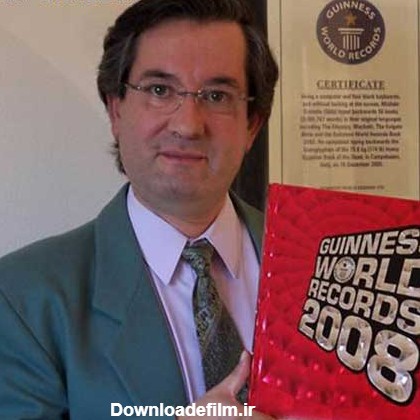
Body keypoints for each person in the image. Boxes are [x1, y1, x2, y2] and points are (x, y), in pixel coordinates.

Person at [0, 0, 278, 418]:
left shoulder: (316, 265)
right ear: (116, 109)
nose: (188, 125)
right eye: (159, 90)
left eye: (217, 95)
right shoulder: (22, 299)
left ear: (252, 124)